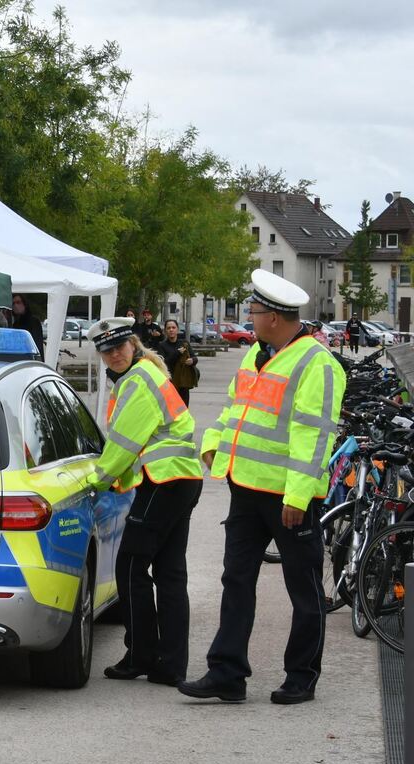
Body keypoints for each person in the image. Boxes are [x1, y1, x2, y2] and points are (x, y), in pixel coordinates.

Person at [179, 270, 345, 705]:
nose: (249, 318)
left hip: (287, 497)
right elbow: (236, 407)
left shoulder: (317, 363)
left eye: (253, 311)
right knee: (236, 580)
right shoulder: (257, 354)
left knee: (304, 588)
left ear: (273, 317)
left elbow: (315, 437)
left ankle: (301, 675)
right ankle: (227, 673)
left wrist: (297, 495)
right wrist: (214, 442)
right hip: (246, 489)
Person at [85, 318, 203, 686]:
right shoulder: (148, 374)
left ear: (133, 344)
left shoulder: (137, 381)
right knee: (169, 574)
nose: (114, 354)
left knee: (131, 567)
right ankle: (170, 665)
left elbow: (123, 444)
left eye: (119, 346)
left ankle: (140, 655)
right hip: (180, 480)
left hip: (163, 481)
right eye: (107, 350)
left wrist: (97, 481)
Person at [158, 319, 199, 405]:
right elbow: (164, 363)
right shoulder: (162, 345)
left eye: (173, 327)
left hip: (183, 383)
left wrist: (192, 361)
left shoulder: (184, 343)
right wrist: (177, 353)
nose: (171, 330)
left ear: (177, 329)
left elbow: (194, 357)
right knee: (171, 410)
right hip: (170, 383)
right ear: (165, 330)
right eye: (168, 328)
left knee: (184, 409)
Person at [9, 294, 45, 359]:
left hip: (31, 359)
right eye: (13, 303)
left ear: (24, 304)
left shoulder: (34, 321)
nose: (16, 305)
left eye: (18, 302)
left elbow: (36, 344)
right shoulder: (15, 324)